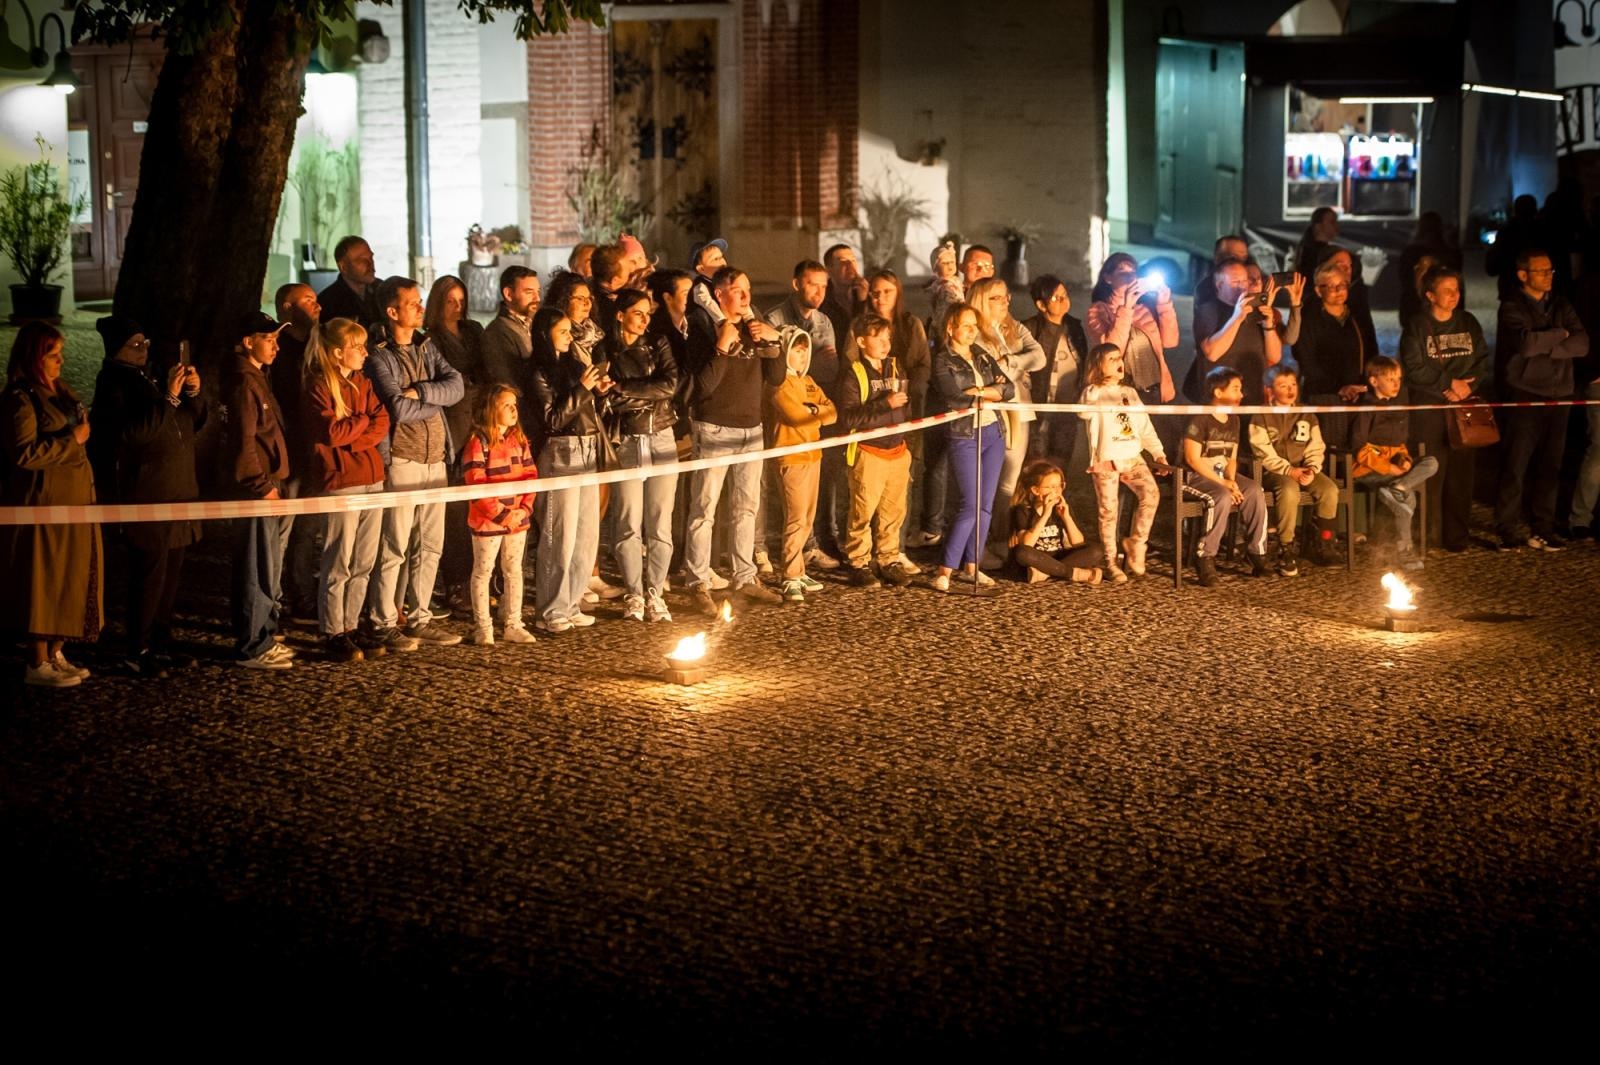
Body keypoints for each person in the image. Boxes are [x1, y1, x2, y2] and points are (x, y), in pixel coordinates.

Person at [88, 314, 206, 677]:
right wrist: (169, 397)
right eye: (134, 345)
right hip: (149, 492)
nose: (142, 351)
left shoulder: (148, 376)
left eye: (145, 344)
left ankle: (161, 643)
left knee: (171, 574)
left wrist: (193, 393)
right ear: (115, 349)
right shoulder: (113, 385)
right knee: (150, 574)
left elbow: (192, 422)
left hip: (179, 488)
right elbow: (135, 435)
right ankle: (137, 647)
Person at [364, 276, 466, 649]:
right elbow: (399, 409)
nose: (421, 309)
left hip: (436, 457)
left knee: (430, 544)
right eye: (413, 303)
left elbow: (456, 387)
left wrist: (423, 390)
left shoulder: (427, 347)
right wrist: (433, 397)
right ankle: (383, 619)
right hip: (403, 459)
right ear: (392, 311)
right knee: (395, 545)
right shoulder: (378, 357)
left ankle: (421, 614)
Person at [0, 323, 102, 687]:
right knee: (43, 581)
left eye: (61, 354)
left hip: (74, 500)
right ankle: (36, 659)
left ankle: (57, 650)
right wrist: (71, 440)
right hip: (45, 504)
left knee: (69, 578)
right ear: (34, 357)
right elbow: (23, 453)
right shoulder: (20, 399)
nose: (61, 362)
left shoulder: (59, 391)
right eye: (53, 355)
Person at [684, 266, 785, 615]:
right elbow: (702, 387)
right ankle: (697, 580)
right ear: (719, 295)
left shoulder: (753, 326)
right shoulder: (702, 328)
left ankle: (745, 576)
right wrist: (722, 348)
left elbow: (776, 377)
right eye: (736, 290)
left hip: (751, 428)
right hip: (715, 426)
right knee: (705, 509)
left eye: (748, 289)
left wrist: (773, 341)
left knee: (746, 508)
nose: (745, 297)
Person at [304, 317, 390, 661]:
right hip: (341, 480)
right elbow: (332, 434)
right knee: (339, 557)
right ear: (338, 352)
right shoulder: (319, 385)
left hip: (371, 475)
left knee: (365, 559)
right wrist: (361, 427)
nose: (364, 352)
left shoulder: (362, 382)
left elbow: (381, 422)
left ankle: (352, 624)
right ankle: (332, 629)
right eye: (357, 347)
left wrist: (355, 433)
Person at [1495, 249, 1589, 549]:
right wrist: (1559, 335)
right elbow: (1524, 345)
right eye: (1541, 271)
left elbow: (1582, 343)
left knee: (1551, 466)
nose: (1549, 275)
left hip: (1559, 394)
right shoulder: (1512, 306)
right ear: (1523, 275)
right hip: (1525, 393)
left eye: (1550, 270)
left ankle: (1542, 526)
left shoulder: (1561, 303)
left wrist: (1549, 343)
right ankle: (1507, 525)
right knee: (1516, 464)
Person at [528, 305, 612, 632]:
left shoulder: (574, 363)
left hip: (588, 448)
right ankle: (551, 610)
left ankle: (573, 601)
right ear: (545, 335)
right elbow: (552, 419)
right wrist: (582, 389)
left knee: (585, 533)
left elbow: (587, 409)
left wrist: (599, 393)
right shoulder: (539, 371)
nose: (568, 336)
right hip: (561, 452)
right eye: (562, 331)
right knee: (558, 535)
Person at [1399, 265, 1489, 552]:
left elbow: (1481, 361)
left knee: (1462, 477)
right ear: (1430, 295)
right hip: (1430, 410)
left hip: (1463, 410)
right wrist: (1448, 382)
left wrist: (1466, 388)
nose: (1454, 295)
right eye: (1447, 290)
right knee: (1431, 474)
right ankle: (1426, 536)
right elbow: (1414, 367)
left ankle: (1456, 537)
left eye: (1457, 290)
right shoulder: (1416, 325)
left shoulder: (1469, 322)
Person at [224, 311, 296, 669]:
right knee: (256, 565)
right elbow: (244, 441)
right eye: (269, 339)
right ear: (248, 341)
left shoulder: (257, 376)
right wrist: (262, 486)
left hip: (269, 483)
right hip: (258, 490)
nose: (276, 346)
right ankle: (252, 644)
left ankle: (265, 635)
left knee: (268, 564)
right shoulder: (244, 382)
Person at [605, 288, 680, 622]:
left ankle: (656, 591)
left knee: (660, 521)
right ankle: (634, 592)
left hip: (662, 435)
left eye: (648, 313)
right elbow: (608, 400)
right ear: (620, 314)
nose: (645, 319)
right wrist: (636, 394)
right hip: (627, 440)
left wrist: (624, 388)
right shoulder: (606, 348)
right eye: (637, 312)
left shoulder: (658, 343)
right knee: (627, 523)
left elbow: (670, 385)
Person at [930, 302, 1013, 592]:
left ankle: (972, 566)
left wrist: (979, 392)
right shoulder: (942, 360)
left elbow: (1009, 389)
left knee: (986, 505)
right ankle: (945, 569)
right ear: (950, 328)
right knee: (970, 503)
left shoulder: (982, 355)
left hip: (993, 431)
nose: (971, 331)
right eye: (966, 325)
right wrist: (992, 392)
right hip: (964, 434)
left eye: (974, 326)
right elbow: (953, 397)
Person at [766, 259, 842, 568]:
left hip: (813, 405)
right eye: (813, 284)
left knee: (813, 497)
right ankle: (788, 564)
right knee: (789, 502)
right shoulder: (775, 318)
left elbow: (829, 368)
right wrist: (816, 408)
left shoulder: (824, 321)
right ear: (796, 283)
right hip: (785, 424)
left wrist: (815, 406)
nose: (819, 291)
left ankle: (817, 542)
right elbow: (775, 371)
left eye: (824, 286)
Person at [854, 268, 931, 572]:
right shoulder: (859, 326)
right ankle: (862, 554)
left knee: (902, 486)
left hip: (906, 414)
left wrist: (911, 394)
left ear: (898, 293)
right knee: (866, 490)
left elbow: (923, 363)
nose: (880, 297)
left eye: (887, 291)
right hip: (871, 418)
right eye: (875, 292)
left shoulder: (910, 325)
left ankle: (894, 550)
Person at [968, 276, 1045, 566]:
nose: (1004, 302)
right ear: (981, 301)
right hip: (993, 411)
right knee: (986, 480)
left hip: (1020, 409)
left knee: (1009, 481)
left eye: (1006, 296)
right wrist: (1013, 364)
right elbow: (990, 371)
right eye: (996, 298)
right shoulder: (973, 332)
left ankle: (1000, 540)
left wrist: (1011, 362)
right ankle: (980, 543)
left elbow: (1038, 357)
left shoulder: (1013, 327)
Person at [834, 313, 915, 590]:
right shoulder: (853, 373)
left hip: (897, 450)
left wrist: (904, 432)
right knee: (862, 511)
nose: (884, 343)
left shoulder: (895, 368)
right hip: (869, 452)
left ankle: (889, 559)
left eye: (887, 338)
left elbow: (906, 407)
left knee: (894, 511)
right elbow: (849, 418)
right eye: (877, 338)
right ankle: (858, 562)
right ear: (860, 341)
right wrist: (885, 405)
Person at [1078, 342, 1168, 581]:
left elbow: (1144, 425)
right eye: (1112, 359)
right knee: (1108, 511)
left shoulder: (1130, 392)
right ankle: (1110, 561)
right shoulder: (1093, 392)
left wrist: (1157, 452)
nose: (1119, 363)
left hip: (1132, 457)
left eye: (1120, 358)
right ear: (1099, 365)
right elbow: (1083, 412)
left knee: (1151, 495)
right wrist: (1096, 389)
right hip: (1107, 457)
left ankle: (1137, 543)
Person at [424, 274, 486, 613]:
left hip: (477, 419)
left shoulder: (474, 332)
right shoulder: (431, 339)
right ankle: (456, 582)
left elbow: (484, 370)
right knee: (455, 511)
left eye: (461, 300)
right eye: (450, 301)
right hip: (453, 426)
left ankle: (481, 577)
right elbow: (446, 380)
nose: (457, 307)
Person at [460, 384, 537, 645]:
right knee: (483, 570)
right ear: (492, 409)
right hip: (488, 522)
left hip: (517, 519)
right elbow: (476, 483)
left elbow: (531, 476)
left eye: (514, 404)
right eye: (506, 405)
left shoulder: (520, 440)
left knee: (514, 570)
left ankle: (513, 623)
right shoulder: (477, 442)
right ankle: (483, 626)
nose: (513, 409)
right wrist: (502, 514)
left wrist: (523, 510)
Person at [1182, 366, 1270, 587]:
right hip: (1195, 476)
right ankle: (1205, 556)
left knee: (1254, 490)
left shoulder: (1234, 420)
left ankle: (1257, 552)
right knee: (1220, 496)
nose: (1241, 395)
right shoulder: (1200, 419)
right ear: (1218, 392)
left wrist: (1232, 481)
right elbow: (1193, 459)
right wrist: (1224, 484)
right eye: (1236, 389)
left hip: (1221, 474)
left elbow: (1231, 456)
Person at [767, 329, 838, 603]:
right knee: (795, 518)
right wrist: (816, 412)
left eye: (804, 349)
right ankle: (790, 575)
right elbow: (795, 416)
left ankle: (800, 569)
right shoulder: (778, 383)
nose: (802, 355)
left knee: (808, 518)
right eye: (796, 350)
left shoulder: (809, 381)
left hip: (813, 455)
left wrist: (814, 412)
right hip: (791, 456)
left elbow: (833, 412)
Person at [1249, 365, 1340, 575]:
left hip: (1304, 468)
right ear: (1269, 390)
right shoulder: (1260, 417)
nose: (1290, 390)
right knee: (1289, 491)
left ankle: (1325, 542)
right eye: (1283, 385)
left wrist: (1312, 468)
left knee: (1329, 490)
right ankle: (1286, 546)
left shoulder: (1306, 415)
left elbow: (1316, 445)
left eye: (1293, 384)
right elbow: (1262, 451)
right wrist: (1289, 471)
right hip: (1276, 471)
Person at [1349, 356, 1438, 570]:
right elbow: (1359, 447)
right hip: (1369, 469)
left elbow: (1401, 445)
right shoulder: (1367, 408)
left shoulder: (1399, 407)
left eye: (1398, 379)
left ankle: (1398, 487)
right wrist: (1389, 467)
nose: (1396, 384)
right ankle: (1404, 551)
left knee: (1431, 462)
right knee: (1406, 500)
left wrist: (1405, 461)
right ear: (1374, 381)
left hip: (1395, 471)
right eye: (1390, 379)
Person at [273, 282, 324, 623]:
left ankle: (304, 595)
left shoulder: (318, 346)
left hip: (315, 451)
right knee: (283, 531)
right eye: (308, 300)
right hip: (289, 453)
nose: (316, 304)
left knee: (309, 529)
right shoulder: (278, 352)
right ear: (288, 308)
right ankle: (274, 602)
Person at [1086, 253, 1178, 408]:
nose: (1130, 277)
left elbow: (1170, 342)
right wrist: (1127, 308)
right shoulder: (1098, 311)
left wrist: (1164, 305)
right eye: (1122, 272)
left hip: (1154, 388)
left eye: (1133, 272)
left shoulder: (1145, 309)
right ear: (1108, 278)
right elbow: (1111, 349)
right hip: (1121, 392)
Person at [1192, 257, 1282, 406]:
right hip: (1220, 400)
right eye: (1235, 282)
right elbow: (1212, 353)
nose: (1242, 287)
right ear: (1219, 285)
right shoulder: (1209, 310)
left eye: (1244, 281)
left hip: (1252, 396)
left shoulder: (1255, 310)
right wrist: (1236, 318)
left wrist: (1269, 326)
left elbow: (1275, 356)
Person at [1022, 273, 1088, 465]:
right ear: (1041, 305)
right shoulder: (1029, 329)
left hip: (1067, 406)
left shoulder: (1074, 327)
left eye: (1065, 295)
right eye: (1055, 298)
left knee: (1061, 458)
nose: (1063, 301)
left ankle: (1057, 495)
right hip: (1039, 406)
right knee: (1036, 461)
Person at [1008, 459, 1104, 584]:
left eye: (1060, 486)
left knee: (1096, 550)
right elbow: (1027, 544)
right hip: (1035, 559)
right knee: (1022, 552)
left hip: (1056, 556)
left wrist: (1066, 517)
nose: (1057, 491)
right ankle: (1070, 573)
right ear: (1036, 490)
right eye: (1051, 487)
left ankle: (1045, 573)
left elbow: (1078, 543)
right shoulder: (1023, 510)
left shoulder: (1060, 509)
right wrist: (1044, 515)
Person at [481, 264, 541, 420]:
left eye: (538, 292)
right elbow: (507, 383)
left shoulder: (537, 324)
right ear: (508, 294)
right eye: (529, 292)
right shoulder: (496, 332)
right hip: (523, 417)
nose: (537, 298)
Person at [1398, 212, 1462, 325]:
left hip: (1414, 308)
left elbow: (1404, 281)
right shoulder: (1452, 253)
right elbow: (1458, 282)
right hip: (1446, 311)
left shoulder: (1410, 252)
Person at [316, 235, 379, 328]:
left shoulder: (384, 290)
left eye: (371, 258)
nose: (370, 264)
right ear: (343, 267)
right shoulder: (328, 303)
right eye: (362, 260)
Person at [1192, 234, 1250, 327]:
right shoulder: (1206, 289)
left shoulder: (1251, 283)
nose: (1239, 263)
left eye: (1244, 258)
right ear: (1217, 257)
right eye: (1234, 257)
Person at [821, 243, 868, 347]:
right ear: (828, 269)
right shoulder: (821, 299)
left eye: (853, 260)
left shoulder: (865, 293)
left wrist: (863, 302)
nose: (850, 266)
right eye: (843, 262)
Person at [688, 237, 729, 325]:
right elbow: (708, 303)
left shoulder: (727, 281)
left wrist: (749, 318)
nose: (722, 261)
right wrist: (722, 322)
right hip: (710, 327)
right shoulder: (700, 286)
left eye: (721, 257)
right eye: (715, 259)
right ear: (701, 269)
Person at [926, 240, 964, 333]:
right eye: (944, 263)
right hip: (947, 320)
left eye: (952, 262)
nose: (950, 265)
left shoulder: (955, 280)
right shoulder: (943, 285)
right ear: (935, 268)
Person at [1294, 206, 1339, 280]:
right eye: (1332, 222)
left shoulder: (1307, 249)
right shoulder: (1312, 253)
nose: (1337, 225)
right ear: (1319, 226)